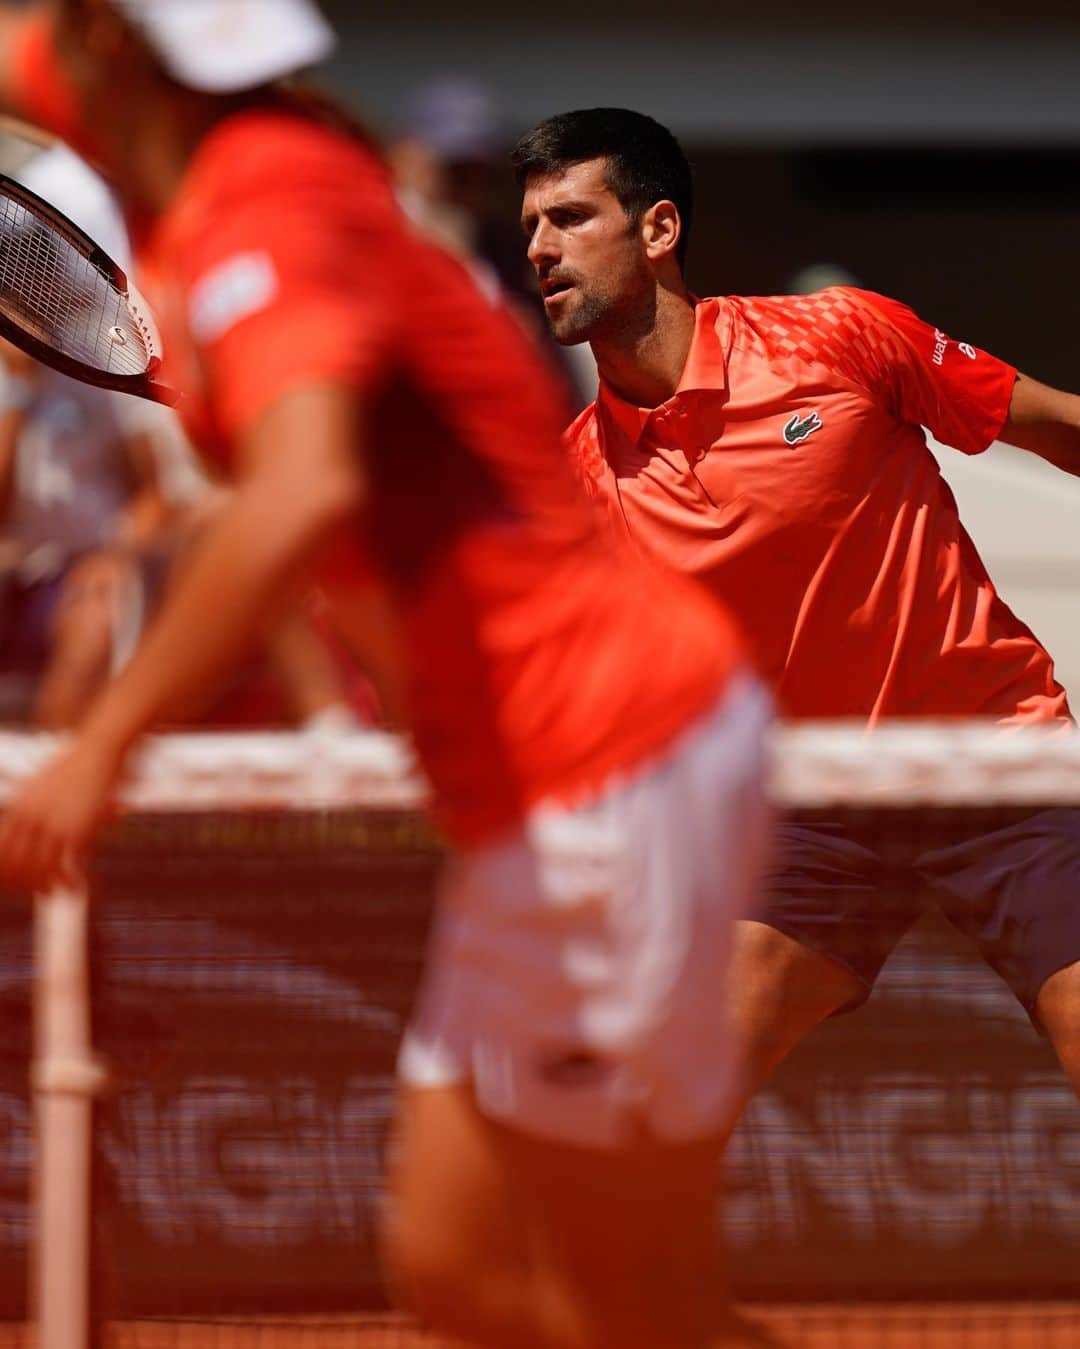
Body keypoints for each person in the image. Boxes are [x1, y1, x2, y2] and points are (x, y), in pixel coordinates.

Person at [0, 9, 772, 1349]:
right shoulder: (247, 178)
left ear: (117, 59)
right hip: (527, 789)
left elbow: (304, 496)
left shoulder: (268, 203)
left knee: (636, 1298)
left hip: (610, 755)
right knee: (455, 1271)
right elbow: (356, 548)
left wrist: (102, 747)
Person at [512, 106, 1080, 1113]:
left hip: (994, 757)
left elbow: (1053, 425)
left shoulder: (843, 335)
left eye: (568, 217)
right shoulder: (580, 481)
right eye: (529, 229)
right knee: (664, 1098)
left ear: (658, 230)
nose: (540, 249)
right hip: (811, 806)